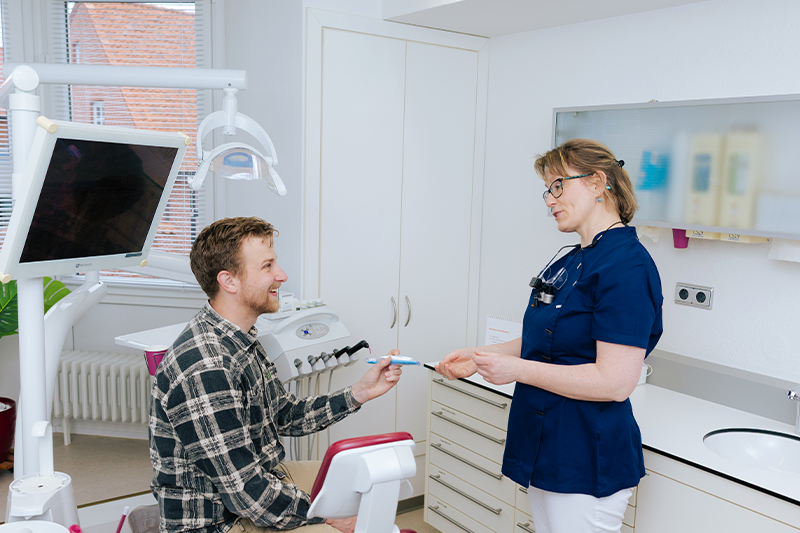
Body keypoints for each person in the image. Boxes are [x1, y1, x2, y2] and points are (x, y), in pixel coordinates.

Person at [436, 139, 663, 533]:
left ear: (596, 182)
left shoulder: (627, 266)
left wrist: (517, 370)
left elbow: (614, 382)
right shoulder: (574, 259)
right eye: (547, 189)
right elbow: (546, 337)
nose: (550, 200)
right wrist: (480, 355)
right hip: (547, 443)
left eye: (558, 185)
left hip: (585, 454)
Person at [149, 216, 403, 533]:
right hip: (221, 521)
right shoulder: (206, 367)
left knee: (364, 483)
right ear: (229, 281)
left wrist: (358, 393)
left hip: (260, 481)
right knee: (352, 523)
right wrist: (324, 517)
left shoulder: (241, 340)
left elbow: (284, 414)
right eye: (267, 266)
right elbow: (246, 494)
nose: (281, 276)